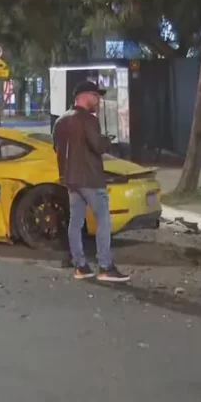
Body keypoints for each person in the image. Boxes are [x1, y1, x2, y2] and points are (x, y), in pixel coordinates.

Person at [52, 80, 130, 282]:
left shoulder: (60, 121)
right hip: (91, 179)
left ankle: (81, 266)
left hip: (70, 179)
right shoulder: (88, 119)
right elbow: (97, 146)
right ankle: (105, 266)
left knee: (75, 222)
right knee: (103, 221)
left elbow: (56, 149)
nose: (98, 100)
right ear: (84, 96)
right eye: (95, 96)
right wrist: (107, 140)